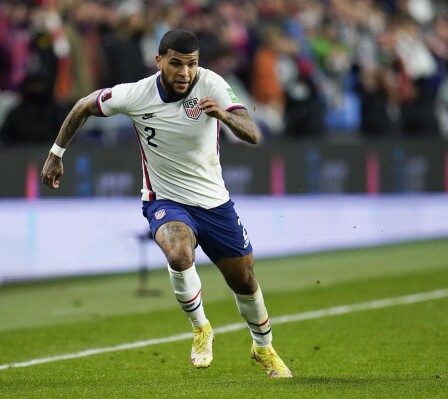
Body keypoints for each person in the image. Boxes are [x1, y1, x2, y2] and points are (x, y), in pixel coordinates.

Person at [40, 29, 292, 379]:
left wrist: (224, 115)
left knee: (244, 280)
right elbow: (83, 106)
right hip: (166, 199)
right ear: (159, 61)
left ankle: (263, 347)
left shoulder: (212, 84)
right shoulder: (136, 94)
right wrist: (56, 153)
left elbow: (252, 132)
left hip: (215, 203)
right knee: (178, 253)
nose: (185, 73)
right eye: (176, 64)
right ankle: (201, 328)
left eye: (192, 64)